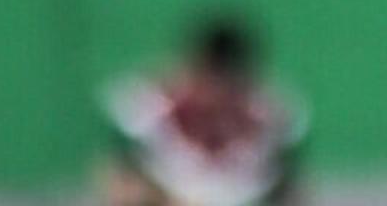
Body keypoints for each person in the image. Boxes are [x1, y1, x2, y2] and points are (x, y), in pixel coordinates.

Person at [99, 15, 304, 206]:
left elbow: (288, 186)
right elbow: (120, 182)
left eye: (229, 83)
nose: (217, 93)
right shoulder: (150, 107)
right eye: (211, 79)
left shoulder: (271, 116)